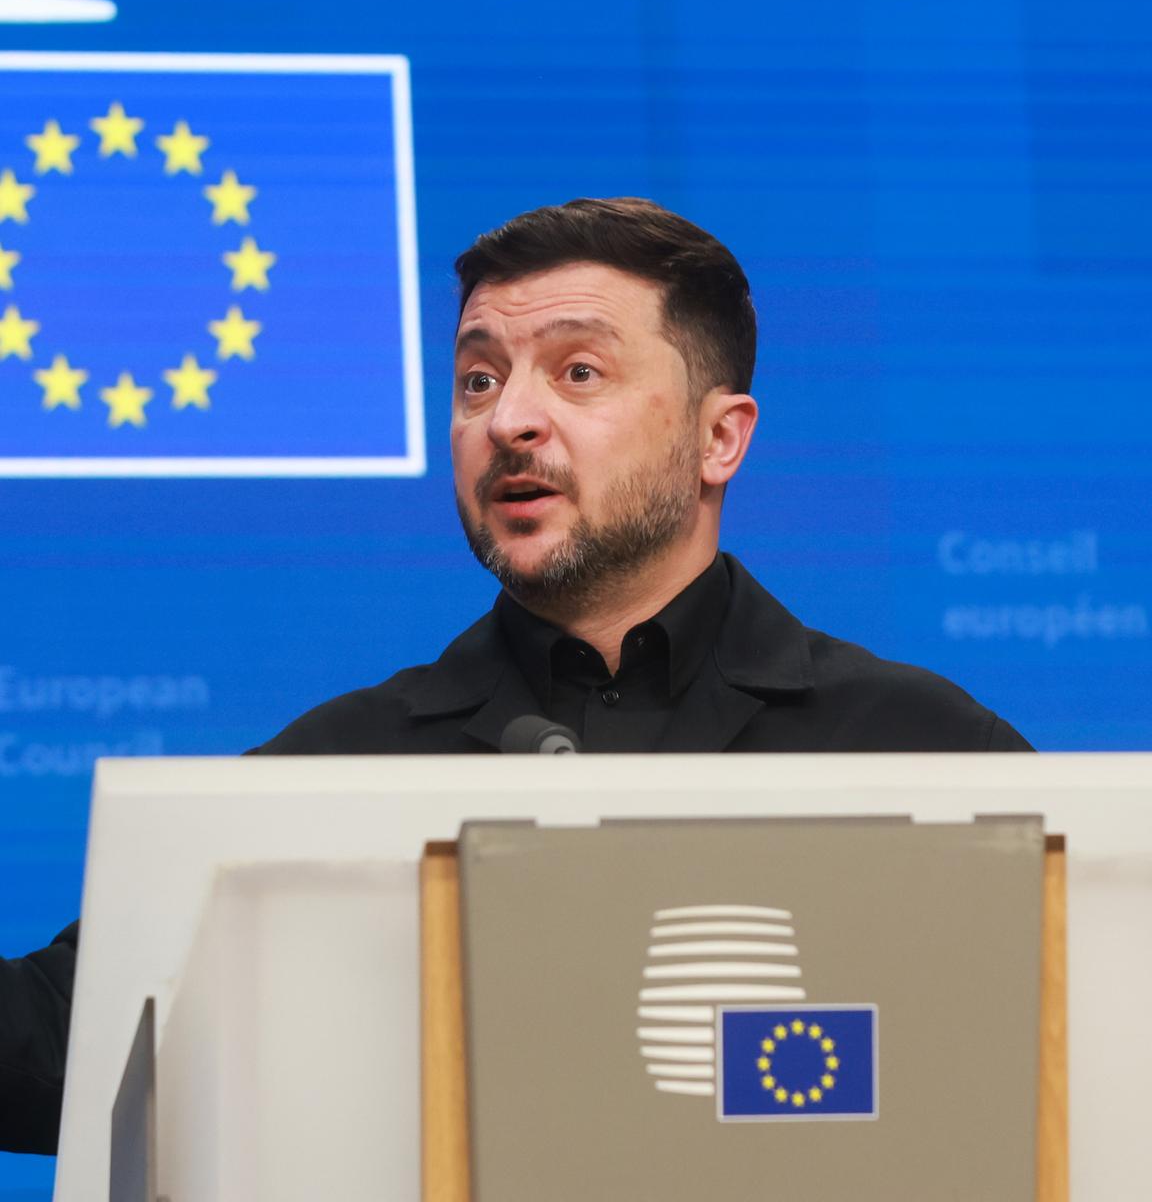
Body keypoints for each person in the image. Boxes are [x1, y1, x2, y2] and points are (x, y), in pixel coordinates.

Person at [0, 196, 1031, 1155]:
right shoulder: (343, 767)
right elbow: (52, 1044)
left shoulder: (918, 746)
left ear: (721, 438)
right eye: (478, 380)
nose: (508, 421)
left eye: (578, 372)